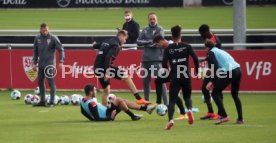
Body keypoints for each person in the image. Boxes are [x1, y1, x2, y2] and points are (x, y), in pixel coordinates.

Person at [93, 30, 150, 106]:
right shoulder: (116, 45)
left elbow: (97, 45)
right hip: (104, 68)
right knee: (126, 77)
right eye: (125, 39)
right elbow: (108, 57)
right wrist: (107, 72)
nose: (125, 41)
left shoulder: (108, 40)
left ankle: (104, 111)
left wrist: (94, 45)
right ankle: (139, 99)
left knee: (106, 90)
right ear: (121, 36)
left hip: (97, 67)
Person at [162, 25, 199, 130]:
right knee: (187, 97)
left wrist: (168, 72)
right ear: (180, 35)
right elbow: (195, 59)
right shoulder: (187, 46)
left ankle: (170, 120)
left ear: (172, 36)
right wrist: (197, 71)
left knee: (172, 100)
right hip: (186, 76)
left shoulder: (168, 49)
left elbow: (164, 63)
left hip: (175, 77)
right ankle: (190, 110)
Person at [204, 39, 243, 125]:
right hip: (238, 70)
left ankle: (224, 116)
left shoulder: (211, 53)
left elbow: (215, 68)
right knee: (235, 95)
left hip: (230, 72)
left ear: (207, 48)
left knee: (215, 93)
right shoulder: (220, 50)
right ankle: (240, 119)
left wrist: (211, 81)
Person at [153, 35, 188, 121]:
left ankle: (183, 114)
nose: (157, 47)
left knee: (173, 93)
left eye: (157, 44)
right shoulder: (167, 48)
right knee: (158, 80)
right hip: (173, 72)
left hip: (180, 73)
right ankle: (158, 102)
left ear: (161, 41)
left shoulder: (173, 46)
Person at [81, 84, 156, 121]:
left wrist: (91, 119)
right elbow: (97, 118)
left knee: (123, 101)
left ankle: (146, 109)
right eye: (94, 90)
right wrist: (110, 118)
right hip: (107, 114)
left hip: (107, 111)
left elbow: (83, 112)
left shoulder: (83, 100)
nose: (96, 92)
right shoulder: (92, 103)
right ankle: (134, 115)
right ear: (91, 92)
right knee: (119, 99)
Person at [137, 12, 167, 105]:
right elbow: (138, 41)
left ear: (156, 19)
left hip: (156, 59)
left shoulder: (160, 29)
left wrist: (147, 42)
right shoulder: (145, 29)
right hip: (145, 59)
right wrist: (149, 42)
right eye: (150, 19)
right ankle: (146, 101)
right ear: (148, 20)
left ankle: (166, 103)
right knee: (146, 82)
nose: (152, 21)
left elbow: (158, 42)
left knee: (161, 81)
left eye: (154, 19)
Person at [32, 23, 65, 107]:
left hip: (50, 64)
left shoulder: (53, 38)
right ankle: (42, 101)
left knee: (51, 82)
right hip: (41, 64)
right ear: (40, 30)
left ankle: (52, 101)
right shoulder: (37, 38)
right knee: (40, 82)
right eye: (43, 30)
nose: (45, 32)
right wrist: (34, 63)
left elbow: (61, 49)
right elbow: (35, 52)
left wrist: (61, 61)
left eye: (46, 30)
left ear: (48, 29)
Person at [198, 24, 222, 120]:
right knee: (204, 89)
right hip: (212, 67)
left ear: (206, 32)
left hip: (217, 68)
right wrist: (204, 60)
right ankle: (210, 112)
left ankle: (220, 113)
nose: (201, 35)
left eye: (201, 33)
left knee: (217, 91)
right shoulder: (210, 38)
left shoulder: (214, 40)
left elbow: (217, 55)